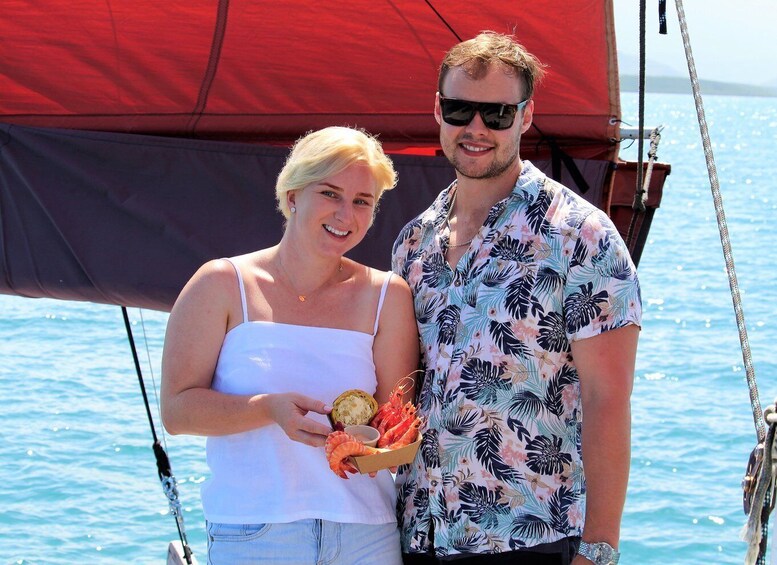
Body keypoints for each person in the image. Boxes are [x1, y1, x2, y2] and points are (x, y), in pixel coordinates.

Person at [391, 32, 641, 565]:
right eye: (460, 110)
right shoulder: (414, 242)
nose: (476, 128)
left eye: (497, 114)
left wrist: (600, 549)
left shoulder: (582, 236)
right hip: (416, 536)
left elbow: (608, 400)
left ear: (526, 118)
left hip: (531, 542)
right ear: (437, 111)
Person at [161, 126, 420, 564]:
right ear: (293, 194)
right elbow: (177, 411)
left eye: (362, 201)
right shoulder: (221, 284)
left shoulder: (388, 296)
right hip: (253, 531)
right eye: (330, 193)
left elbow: (394, 426)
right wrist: (268, 409)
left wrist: (370, 447)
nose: (345, 214)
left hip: (367, 534)